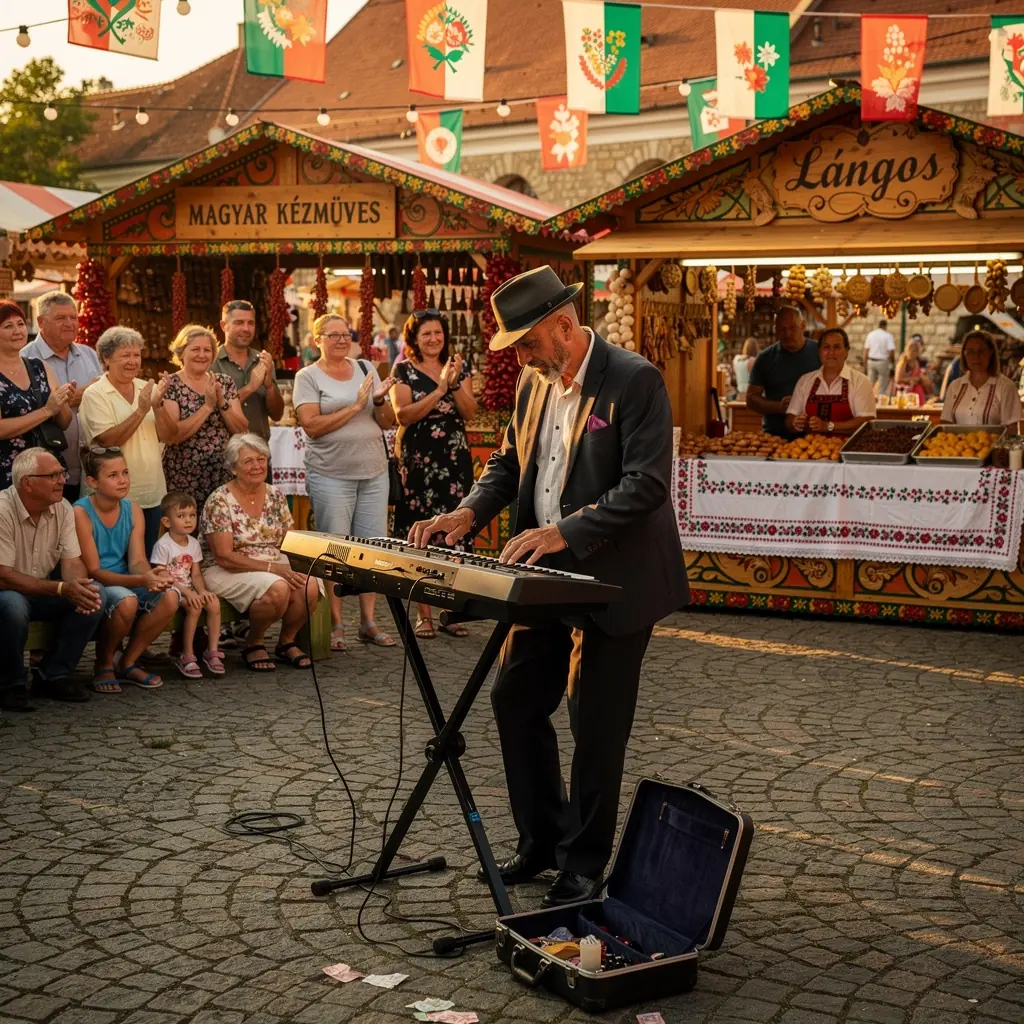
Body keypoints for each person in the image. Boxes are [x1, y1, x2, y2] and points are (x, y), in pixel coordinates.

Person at [408, 265, 688, 908]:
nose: (522, 358)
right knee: (515, 699)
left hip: (614, 580)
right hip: (543, 576)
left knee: (596, 723)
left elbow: (646, 485)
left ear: (564, 327)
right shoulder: (535, 385)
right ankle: (542, 839)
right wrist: (466, 512)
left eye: (527, 344)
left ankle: (583, 864)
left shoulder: (635, 379)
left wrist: (565, 531)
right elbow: (509, 463)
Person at [293, 314, 398, 651]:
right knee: (335, 550)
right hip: (331, 474)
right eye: (333, 335)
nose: (341, 340)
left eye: (346, 334)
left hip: (373, 472)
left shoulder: (367, 367)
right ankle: (336, 622)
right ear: (316, 340)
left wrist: (379, 400)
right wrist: (355, 405)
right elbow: (312, 426)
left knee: (372, 549)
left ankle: (367, 621)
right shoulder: (307, 376)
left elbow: (386, 422)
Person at [200, 433, 320, 672]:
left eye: (261, 459)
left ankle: (286, 641)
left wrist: (302, 562)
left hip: (272, 561)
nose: (256, 466)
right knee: (278, 588)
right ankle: (253, 642)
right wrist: (274, 569)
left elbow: (290, 540)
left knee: (309, 585)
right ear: (233, 468)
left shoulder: (275, 495)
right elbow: (223, 556)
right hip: (225, 568)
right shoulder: (219, 500)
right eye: (248, 461)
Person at [391, 310, 477, 639]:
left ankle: (451, 610)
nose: (433, 339)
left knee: (453, 528)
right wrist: (439, 390)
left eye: (438, 333)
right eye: (426, 334)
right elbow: (404, 415)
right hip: (418, 460)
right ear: (414, 338)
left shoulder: (458, 366)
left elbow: (470, 412)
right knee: (421, 532)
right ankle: (423, 612)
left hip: (454, 458)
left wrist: (453, 384)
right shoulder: (403, 371)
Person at [0, 448, 105, 712]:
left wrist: (78, 587)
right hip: (6, 590)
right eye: (54, 475)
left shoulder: (63, 508)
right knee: (13, 606)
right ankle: (9, 684)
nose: (62, 480)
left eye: (62, 473)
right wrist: (61, 588)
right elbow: (3, 575)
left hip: (40, 590)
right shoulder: (2, 510)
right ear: (28, 483)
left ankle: (52, 675)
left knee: (95, 594)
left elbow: (71, 562)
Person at [74, 447, 180, 692]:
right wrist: (141, 580)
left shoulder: (132, 509)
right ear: (92, 482)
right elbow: (94, 571)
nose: (123, 480)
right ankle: (103, 664)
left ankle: (128, 661)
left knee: (171, 595)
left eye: (125, 473)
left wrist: (153, 575)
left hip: (127, 579)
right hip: (99, 583)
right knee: (127, 601)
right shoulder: (80, 512)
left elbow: (137, 560)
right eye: (113, 475)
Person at [78, 326, 174, 557]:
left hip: (152, 490)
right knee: (113, 560)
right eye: (125, 355)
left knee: (148, 559)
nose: (132, 361)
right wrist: (141, 410)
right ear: (106, 358)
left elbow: (170, 436)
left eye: (136, 355)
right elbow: (107, 441)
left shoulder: (146, 387)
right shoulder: (95, 393)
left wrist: (158, 406)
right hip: (111, 495)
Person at [21, 291, 102, 502]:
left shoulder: (89, 355)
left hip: (89, 471)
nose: (69, 323)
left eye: (73, 317)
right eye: (60, 318)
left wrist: (67, 399)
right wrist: (84, 394)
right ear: (40, 322)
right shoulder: (25, 359)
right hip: (44, 474)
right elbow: (31, 410)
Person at [160, 324, 248, 515]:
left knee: (220, 530)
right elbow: (173, 435)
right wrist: (207, 406)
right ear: (181, 353)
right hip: (183, 475)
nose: (202, 354)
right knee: (186, 531)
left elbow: (242, 429)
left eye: (207, 350)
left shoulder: (224, 382)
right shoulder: (171, 385)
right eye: (195, 349)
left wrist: (222, 402)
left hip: (221, 473)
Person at [0, 300, 73, 491]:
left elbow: (64, 422)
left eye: (21, 324)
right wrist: (47, 410)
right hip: (9, 474)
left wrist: (62, 401)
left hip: (47, 471)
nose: (18, 331)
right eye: (8, 326)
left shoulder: (39, 366)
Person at [151, 490, 224, 679]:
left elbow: (196, 574)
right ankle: (187, 654)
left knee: (213, 602)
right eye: (181, 516)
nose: (188, 520)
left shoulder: (193, 543)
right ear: (167, 522)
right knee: (195, 607)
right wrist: (188, 593)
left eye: (192, 515)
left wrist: (202, 591)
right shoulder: (163, 545)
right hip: (170, 590)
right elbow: (163, 576)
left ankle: (212, 651)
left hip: (188, 589)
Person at [211, 300, 284, 443]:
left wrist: (269, 386)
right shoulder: (211, 363)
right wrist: (250, 388)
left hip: (259, 452)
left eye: (251, 323)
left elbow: (277, 415)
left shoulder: (263, 361)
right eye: (239, 323)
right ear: (223, 325)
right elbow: (210, 411)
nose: (246, 328)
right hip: (222, 452)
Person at [745, 306, 820, 437]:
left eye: (792, 328)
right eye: (782, 329)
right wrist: (779, 406)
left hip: (816, 438)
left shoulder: (821, 352)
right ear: (776, 331)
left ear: (803, 325)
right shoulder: (765, 358)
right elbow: (751, 399)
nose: (787, 334)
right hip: (775, 437)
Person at [786, 327, 876, 436]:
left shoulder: (860, 381)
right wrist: (795, 423)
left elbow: (867, 421)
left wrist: (828, 426)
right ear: (819, 352)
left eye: (837, 347)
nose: (831, 352)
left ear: (846, 351)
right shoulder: (805, 381)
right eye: (826, 347)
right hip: (811, 450)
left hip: (846, 451)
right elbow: (789, 420)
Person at [941, 330, 1023, 427]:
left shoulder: (1006, 387)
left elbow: (1011, 431)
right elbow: (946, 425)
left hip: (996, 442)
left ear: (991, 353)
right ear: (964, 355)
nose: (976, 357)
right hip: (958, 442)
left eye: (982, 351)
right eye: (970, 352)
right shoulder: (955, 387)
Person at [894, 338, 935, 404]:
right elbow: (898, 379)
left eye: (916, 351)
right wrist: (912, 379)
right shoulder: (903, 361)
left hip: (916, 391)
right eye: (913, 351)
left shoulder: (917, 361)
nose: (915, 353)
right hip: (905, 391)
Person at [863, 319, 897, 394]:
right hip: (882, 362)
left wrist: (864, 364)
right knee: (883, 386)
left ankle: (868, 401)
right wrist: (892, 363)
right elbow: (891, 352)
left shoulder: (870, 335)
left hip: (871, 361)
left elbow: (866, 350)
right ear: (885, 326)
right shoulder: (888, 336)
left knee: (870, 385)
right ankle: (881, 402)